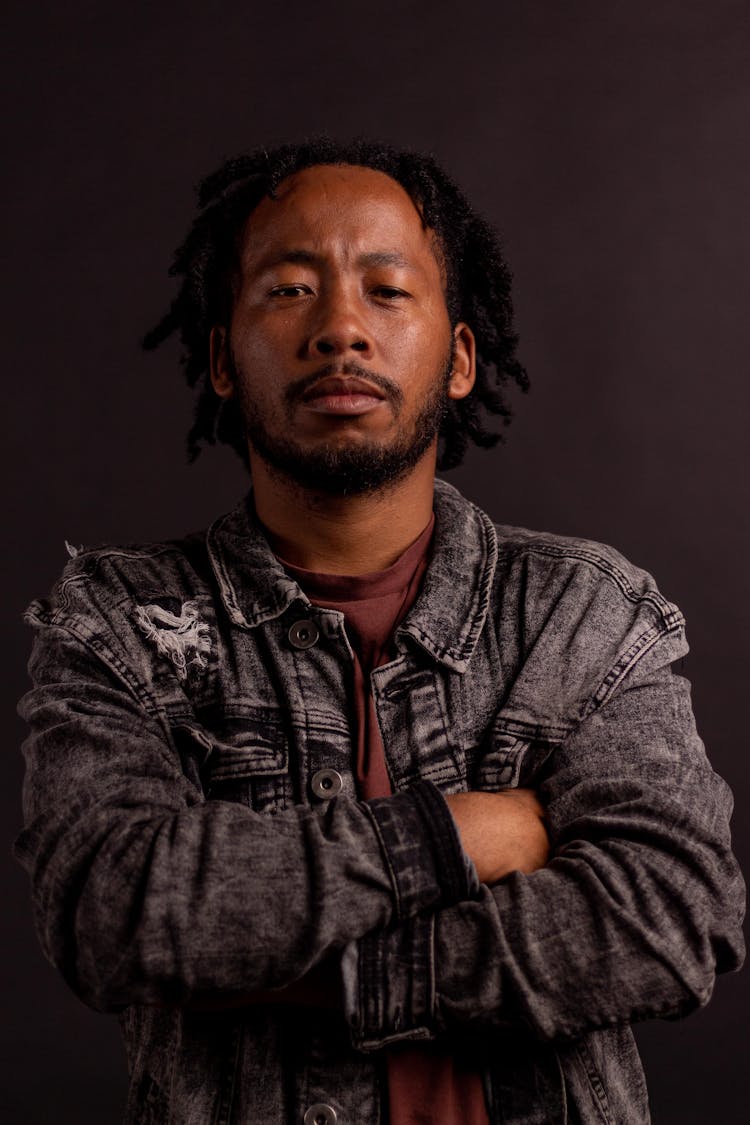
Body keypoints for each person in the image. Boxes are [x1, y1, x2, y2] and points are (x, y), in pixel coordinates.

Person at [15, 138, 744, 1125]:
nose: (340, 329)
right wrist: (465, 834)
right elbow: (114, 912)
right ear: (223, 359)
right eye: (289, 289)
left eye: (388, 289)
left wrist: (328, 969)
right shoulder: (121, 623)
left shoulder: (586, 614)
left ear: (459, 357)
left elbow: (673, 919)